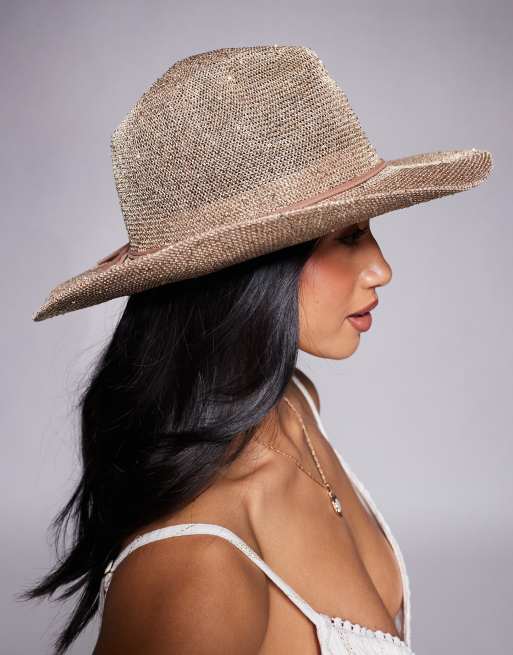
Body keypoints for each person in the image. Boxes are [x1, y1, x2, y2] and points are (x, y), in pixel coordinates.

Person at [24, 45, 493, 655]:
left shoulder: (295, 404)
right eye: (349, 235)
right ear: (250, 269)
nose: (381, 268)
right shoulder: (197, 570)